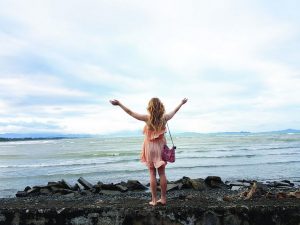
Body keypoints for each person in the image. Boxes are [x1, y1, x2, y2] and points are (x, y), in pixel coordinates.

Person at [110, 97, 188, 206]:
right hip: (161, 147)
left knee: (152, 173)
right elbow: (175, 111)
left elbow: (130, 113)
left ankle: (154, 200)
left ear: (150, 107)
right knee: (162, 173)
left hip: (149, 148)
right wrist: (181, 103)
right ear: (161, 107)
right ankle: (164, 199)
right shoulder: (165, 118)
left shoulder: (147, 118)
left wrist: (119, 104)